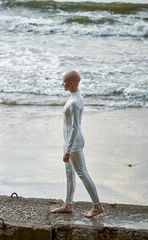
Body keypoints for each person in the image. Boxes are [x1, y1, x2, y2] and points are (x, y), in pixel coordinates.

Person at [50, 71, 104, 218]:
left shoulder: (74, 102)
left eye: (65, 81)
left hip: (73, 144)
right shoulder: (75, 96)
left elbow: (75, 127)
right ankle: (68, 204)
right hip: (69, 142)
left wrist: (67, 151)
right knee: (69, 174)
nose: (62, 83)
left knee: (82, 173)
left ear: (72, 83)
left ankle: (97, 206)